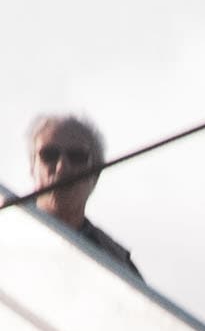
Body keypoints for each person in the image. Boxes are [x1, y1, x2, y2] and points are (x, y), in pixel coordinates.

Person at [24, 114, 137, 278]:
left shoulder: (117, 262)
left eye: (77, 156)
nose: (62, 167)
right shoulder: (8, 228)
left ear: (96, 175)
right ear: (32, 167)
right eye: (49, 155)